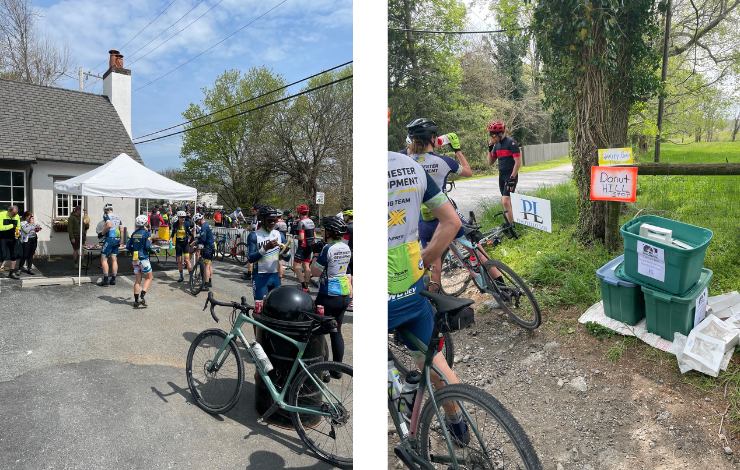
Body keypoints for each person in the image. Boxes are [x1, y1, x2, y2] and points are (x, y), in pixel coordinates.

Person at [387, 150, 470, 443]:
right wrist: (425, 259)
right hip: (411, 283)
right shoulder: (410, 167)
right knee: (432, 360)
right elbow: (452, 222)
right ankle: (459, 427)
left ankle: (400, 399)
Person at [312, 216, 351, 371]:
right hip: (343, 294)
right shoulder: (346, 247)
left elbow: (315, 272)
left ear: (330, 232)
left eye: (323, 230)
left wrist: (315, 254)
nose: (321, 232)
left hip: (328, 294)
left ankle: (324, 370)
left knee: (319, 331)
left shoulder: (327, 248)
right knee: (337, 331)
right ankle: (337, 370)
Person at [246, 206, 286, 308]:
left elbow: (287, 258)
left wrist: (285, 252)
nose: (273, 223)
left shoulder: (280, 235)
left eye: (275, 220)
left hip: (275, 276)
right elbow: (251, 258)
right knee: (260, 310)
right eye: (269, 221)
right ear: (261, 220)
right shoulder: (254, 235)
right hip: (260, 277)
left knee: (276, 309)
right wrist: (265, 248)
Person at [487, 121, 521, 225]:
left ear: (501, 134)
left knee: (505, 202)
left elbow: (518, 162)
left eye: (493, 135)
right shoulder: (497, 146)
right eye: (490, 135)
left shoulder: (511, 143)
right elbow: (490, 163)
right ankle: (513, 222)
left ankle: (510, 226)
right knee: (507, 202)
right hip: (501, 177)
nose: (492, 138)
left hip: (510, 176)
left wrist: (512, 177)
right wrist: (490, 149)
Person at [126, 215, 156, 307]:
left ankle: (136, 301)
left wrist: (135, 248)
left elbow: (127, 246)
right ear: (146, 223)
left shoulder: (134, 233)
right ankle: (142, 297)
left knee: (137, 281)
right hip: (143, 259)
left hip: (135, 259)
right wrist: (152, 251)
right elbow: (147, 247)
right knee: (149, 278)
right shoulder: (147, 233)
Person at [98, 203, 122, 287]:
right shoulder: (118, 217)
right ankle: (113, 279)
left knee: (104, 259)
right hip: (117, 239)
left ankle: (105, 279)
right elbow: (121, 230)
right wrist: (120, 241)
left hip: (109, 238)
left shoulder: (106, 215)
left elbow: (108, 225)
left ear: (105, 210)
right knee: (114, 259)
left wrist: (102, 233)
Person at [292, 205, 316, 292]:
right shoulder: (311, 221)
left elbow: (301, 237)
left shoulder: (301, 223)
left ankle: (304, 286)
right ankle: (306, 285)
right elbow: (314, 235)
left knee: (295, 266)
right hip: (309, 247)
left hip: (302, 247)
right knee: (306, 266)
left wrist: (295, 236)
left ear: (299, 213)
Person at [192, 213, 215, 291]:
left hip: (208, 247)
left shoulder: (203, 226)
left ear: (199, 220)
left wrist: (196, 242)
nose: (196, 224)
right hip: (212, 245)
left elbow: (203, 239)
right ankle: (210, 281)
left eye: (196, 222)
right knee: (210, 264)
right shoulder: (207, 224)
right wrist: (200, 237)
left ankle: (206, 285)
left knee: (206, 266)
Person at [170, 210, 193, 283]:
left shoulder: (186, 224)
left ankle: (191, 276)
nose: (183, 219)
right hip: (178, 243)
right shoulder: (175, 224)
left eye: (184, 217)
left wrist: (190, 237)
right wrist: (170, 239)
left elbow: (189, 233)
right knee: (179, 261)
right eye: (182, 217)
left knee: (187, 260)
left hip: (185, 243)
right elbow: (173, 233)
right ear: (178, 218)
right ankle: (181, 276)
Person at [0, 205, 21, 279]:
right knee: (3, 255)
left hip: (13, 238)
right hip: (3, 238)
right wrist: (11, 225)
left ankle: (11, 273)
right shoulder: (1, 215)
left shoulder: (17, 216)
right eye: (13, 214)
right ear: (8, 211)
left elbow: (18, 226)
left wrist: (18, 231)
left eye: (16, 214)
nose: (15, 215)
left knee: (14, 255)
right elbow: (0, 228)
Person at [68, 205, 90, 270]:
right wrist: (72, 237)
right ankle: (75, 263)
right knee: (76, 249)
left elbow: (83, 228)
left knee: (82, 249)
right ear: (77, 210)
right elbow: (70, 228)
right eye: (81, 211)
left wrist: (84, 235)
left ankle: (81, 262)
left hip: (81, 236)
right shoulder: (71, 218)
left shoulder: (81, 218)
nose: (82, 212)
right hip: (75, 236)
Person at [341, 207, 354, 310]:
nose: (344, 217)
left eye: (344, 215)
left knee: (348, 278)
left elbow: (344, 244)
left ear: (348, 216)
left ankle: (350, 301)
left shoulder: (347, 228)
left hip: (349, 255)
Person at [274, 210, 288, 280]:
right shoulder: (284, 223)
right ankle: (280, 277)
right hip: (283, 242)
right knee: (280, 262)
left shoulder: (277, 224)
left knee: (276, 261)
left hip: (277, 243)